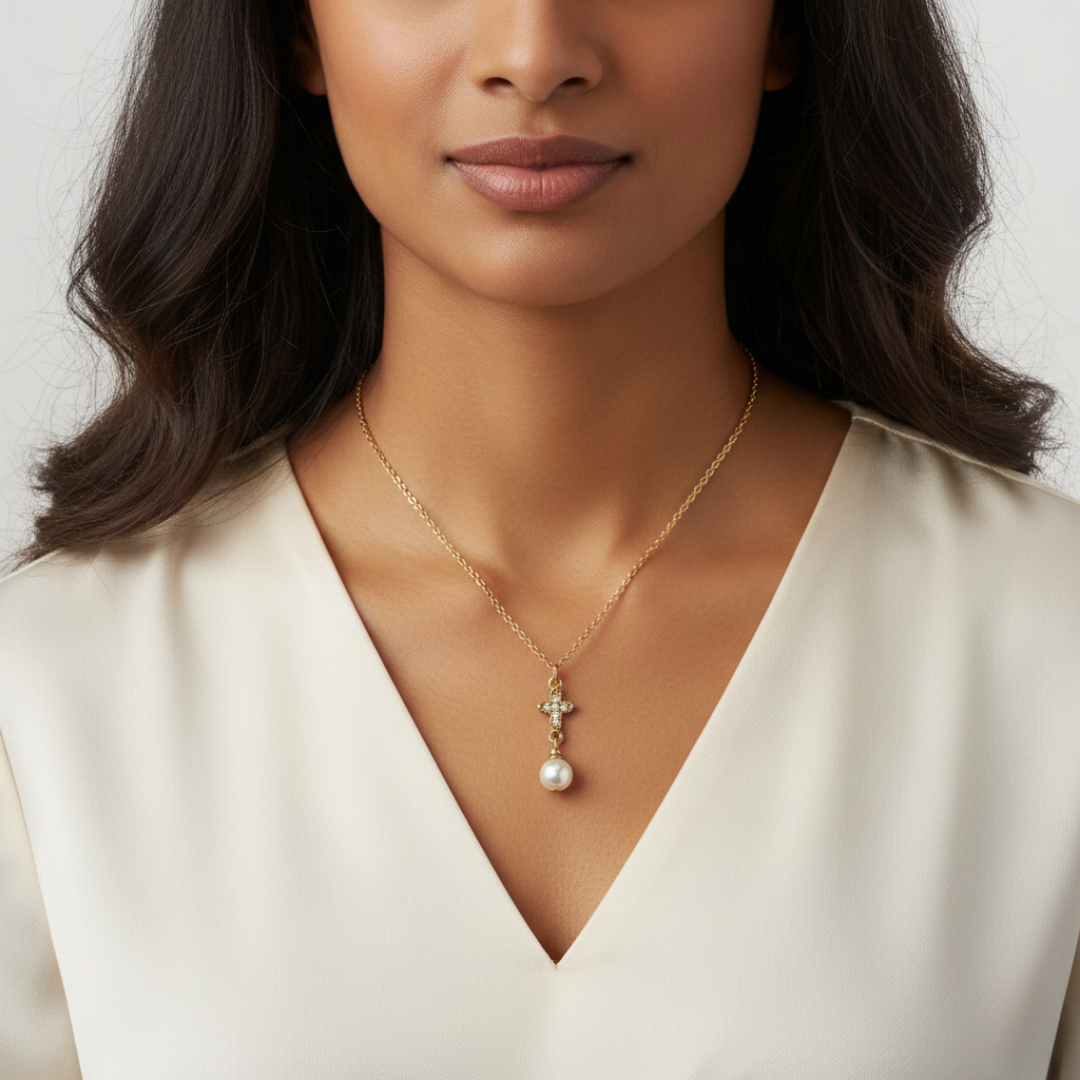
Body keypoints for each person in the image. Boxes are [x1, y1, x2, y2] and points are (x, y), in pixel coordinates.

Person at [1, 0, 1077, 1074]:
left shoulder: (1046, 638)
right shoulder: (49, 691)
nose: (533, 55)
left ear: (791, 28)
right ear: (295, 32)